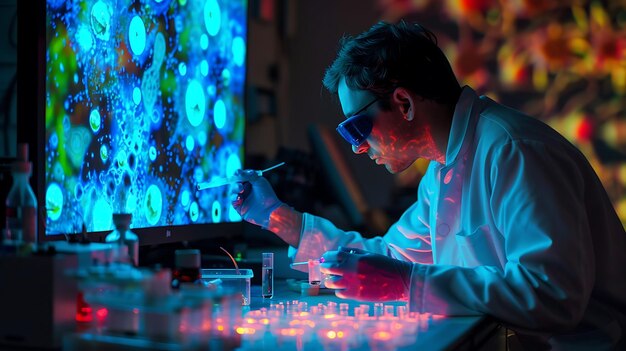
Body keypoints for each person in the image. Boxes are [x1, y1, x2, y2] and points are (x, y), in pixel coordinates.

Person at [231, 20, 626, 349]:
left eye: (356, 127)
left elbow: (553, 296)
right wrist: (277, 217)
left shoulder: (514, 151)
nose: (358, 147)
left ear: (403, 102)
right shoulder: (443, 170)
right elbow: (387, 257)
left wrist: (406, 283)